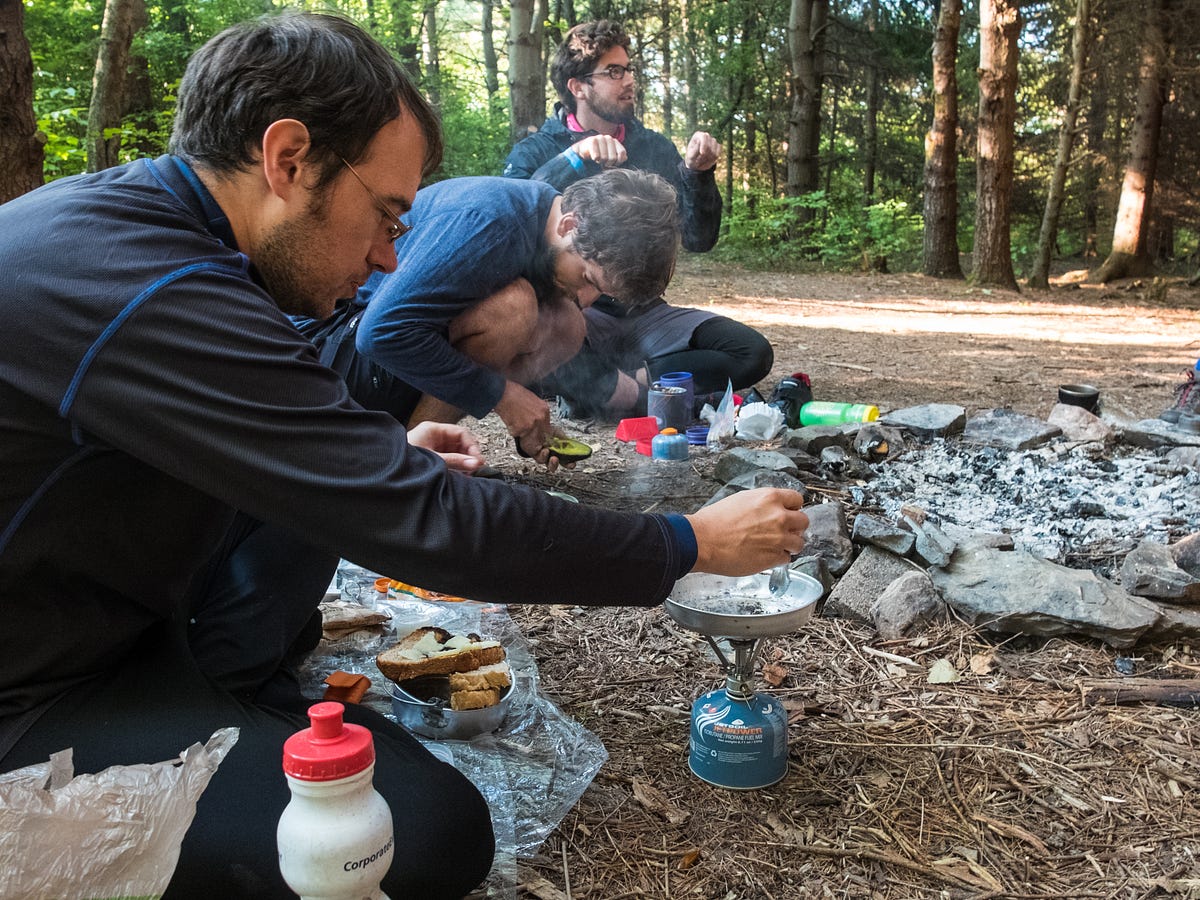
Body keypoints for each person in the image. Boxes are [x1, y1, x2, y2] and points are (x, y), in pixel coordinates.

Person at [0, 11, 808, 900]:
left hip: (98, 616)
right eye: (386, 215)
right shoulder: (150, 290)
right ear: (289, 159)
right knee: (420, 836)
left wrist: (379, 445)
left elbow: (217, 458)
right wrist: (685, 543)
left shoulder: (147, 227)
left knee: (362, 764)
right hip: (34, 699)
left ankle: (227, 685)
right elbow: (429, 523)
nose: (392, 253)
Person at [296, 168, 680, 460]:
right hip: (329, 355)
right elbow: (379, 333)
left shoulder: (546, 228)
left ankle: (423, 445)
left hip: (389, 359)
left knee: (567, 324)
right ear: (570, 224)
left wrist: (528, 422)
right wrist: (501, 395)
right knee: (514, 307)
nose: (586, 296)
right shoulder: (490, 223)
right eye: (587, 278)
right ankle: (411, 464)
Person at [502, 19, 774, 420]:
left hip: (643, 313)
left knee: (751, 352)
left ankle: (627, 384)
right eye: (614, 72)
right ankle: (612, 386)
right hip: (570, 311)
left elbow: (698, 238)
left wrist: (698, 175)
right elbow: (510, 222)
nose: (629, 80)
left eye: (629, 69)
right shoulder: (535, 151)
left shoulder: (652, 147)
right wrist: (572, 160)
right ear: (578, 87)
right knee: (534, 338)